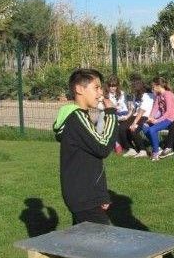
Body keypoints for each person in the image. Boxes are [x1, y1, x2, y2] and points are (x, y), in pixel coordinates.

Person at [53, 68, 117, 225]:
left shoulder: (79, 117)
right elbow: (102, 147)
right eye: (96, 87)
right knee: (105, 245)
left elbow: (89, 160)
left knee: (84, 245)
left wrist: (100, 195)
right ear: (79, 89)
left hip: (86, 196)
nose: (101, 93)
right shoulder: (77, 118)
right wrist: (111, 113)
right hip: (84, 198)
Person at [141, 77, 174, 161]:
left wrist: (157, 121)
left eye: (153, 86)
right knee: (144, 126)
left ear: (158, 86)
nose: (152, 88)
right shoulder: (159, 95)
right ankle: (157, 147)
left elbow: (168, 112)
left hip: (170, 119)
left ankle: (155, 152)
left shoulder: (168, 94)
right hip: (163, 118)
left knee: (152, 130)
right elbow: (155, 108)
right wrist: (150, 118)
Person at [120, 78, 155, 157]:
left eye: (133, 88)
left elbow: (142, 111)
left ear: (138, 88)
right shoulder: (136, 95)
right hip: (136, 115)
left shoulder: (148, 95)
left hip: (145, 116)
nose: (132, 90)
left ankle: (143, 150)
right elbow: (133, 109)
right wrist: (127, 117)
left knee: (133, 129)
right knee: (121, 128)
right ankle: (130, 149)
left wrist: (134, 123)